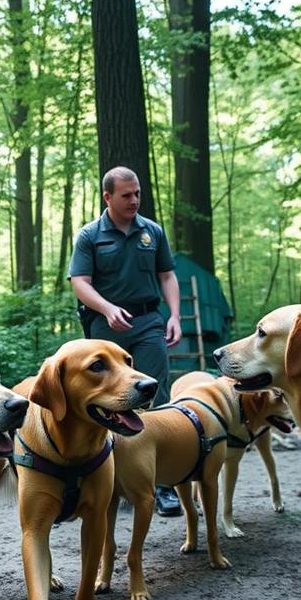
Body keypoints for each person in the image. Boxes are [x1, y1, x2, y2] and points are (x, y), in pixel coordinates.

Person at [68, 166, 183, 516]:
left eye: (137, 194)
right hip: (108, 327)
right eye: (126, 195)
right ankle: (105, 477)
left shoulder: (153, 232)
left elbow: (167, 275)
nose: (134, 200)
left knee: (155, 395)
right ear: (108, 197)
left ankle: (161, 484)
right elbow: (80, 282)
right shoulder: (90, 236)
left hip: (149, 321)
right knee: (106, 400)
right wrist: (106, 309)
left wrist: (175, 315)